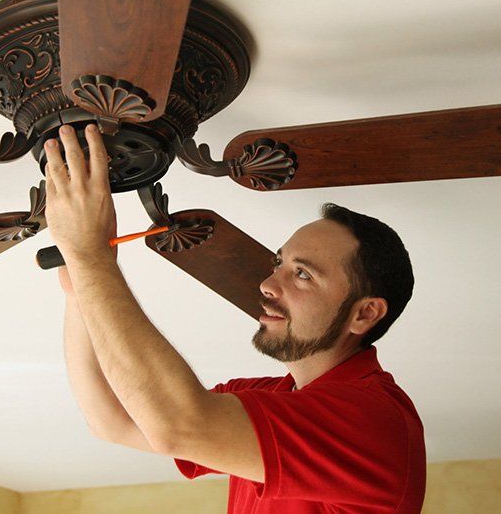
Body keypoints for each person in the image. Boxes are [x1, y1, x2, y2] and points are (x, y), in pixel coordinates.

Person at [45, 124, 426, 513]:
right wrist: (81, 284)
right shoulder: (267, 398)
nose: (266, 284)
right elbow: (112, 419)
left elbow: (176, 425)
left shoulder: (373, 421)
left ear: (364, 313)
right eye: (279, 263)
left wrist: (89, 254)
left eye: (303, 274)